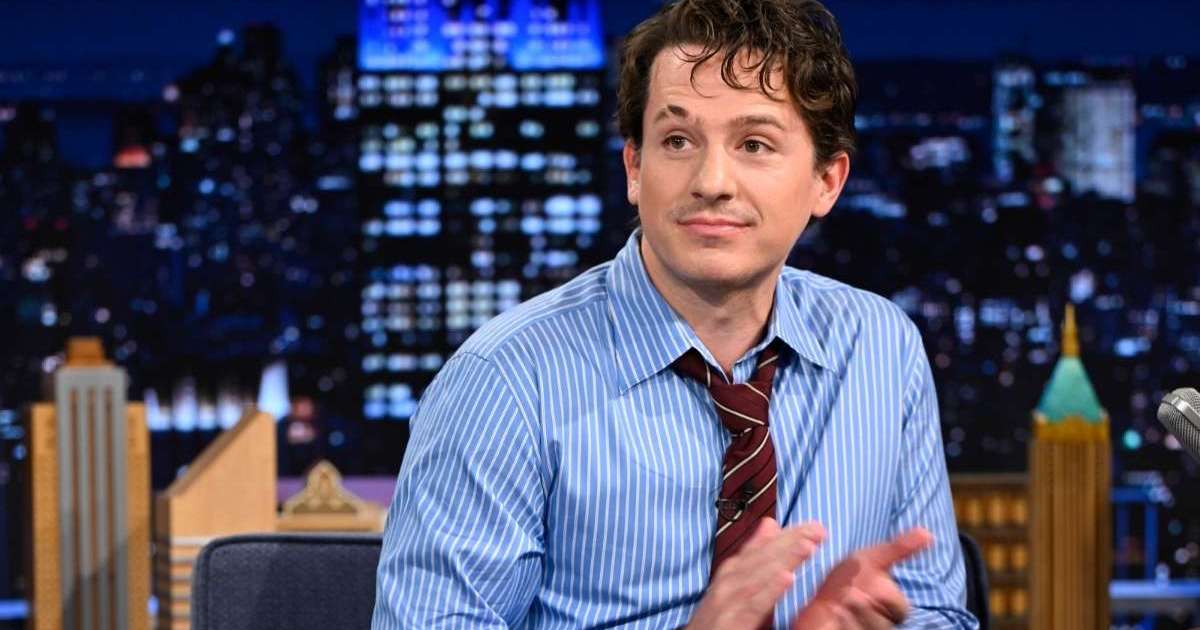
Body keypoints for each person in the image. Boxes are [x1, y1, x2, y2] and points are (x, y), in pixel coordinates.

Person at [372, 0, 977, 627]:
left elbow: (937, 614)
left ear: (828, 180)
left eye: (754, 144)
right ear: (635, 168)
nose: (712, 181)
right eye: (678, 141)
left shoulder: (879, 347)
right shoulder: (505, 380)